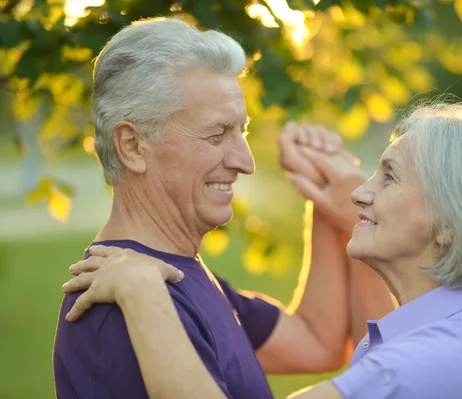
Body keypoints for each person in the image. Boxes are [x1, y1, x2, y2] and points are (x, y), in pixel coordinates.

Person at [63, 100, 462, 399]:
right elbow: (331, 344)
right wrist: (338, 215)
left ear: (449, 223)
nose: (360, 192)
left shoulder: (439, 358)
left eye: (389, 176)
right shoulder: (461, 332)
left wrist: (142, 292)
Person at [53, 17, 392, 399]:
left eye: (241, 131)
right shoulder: (121, 308)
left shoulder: (171, 272)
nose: (245, 162)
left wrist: (331, 202)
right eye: (218, 134)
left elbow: (318, 342)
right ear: (132, 146)